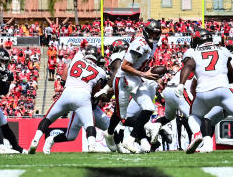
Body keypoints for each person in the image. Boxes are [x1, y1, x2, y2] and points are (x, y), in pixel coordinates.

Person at [178, 28, 233, 155]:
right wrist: (228, 81)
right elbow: (231, 73)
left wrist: (181, 84)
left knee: (193, 116)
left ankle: (196, 134)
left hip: (202, 92)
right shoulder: (223, 50)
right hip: (223, 90)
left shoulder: (193, 52)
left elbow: (188, 65)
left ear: (197, 40)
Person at [28, 47, 109, 154]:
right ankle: (92, 145)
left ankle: (35, 140)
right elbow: (95, 91)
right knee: (90, 124)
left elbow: (65, 74)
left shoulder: (77, 59)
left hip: (68, 92)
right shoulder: (101, 72)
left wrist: (66, 81)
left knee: (48, 119)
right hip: (83, 97)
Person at [108, 20, 163, 151]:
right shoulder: (140, 44)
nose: (154, 36)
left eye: (156, 33)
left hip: (136, 78)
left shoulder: (153, 45)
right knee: (121, 116)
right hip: (124, 79)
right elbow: (125, 66)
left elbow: (141, 64)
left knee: (149, 108)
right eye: (151, 33)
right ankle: (109, 134)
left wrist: (146, 73)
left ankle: (130, 140)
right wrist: (144, 74)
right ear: (145, 31)